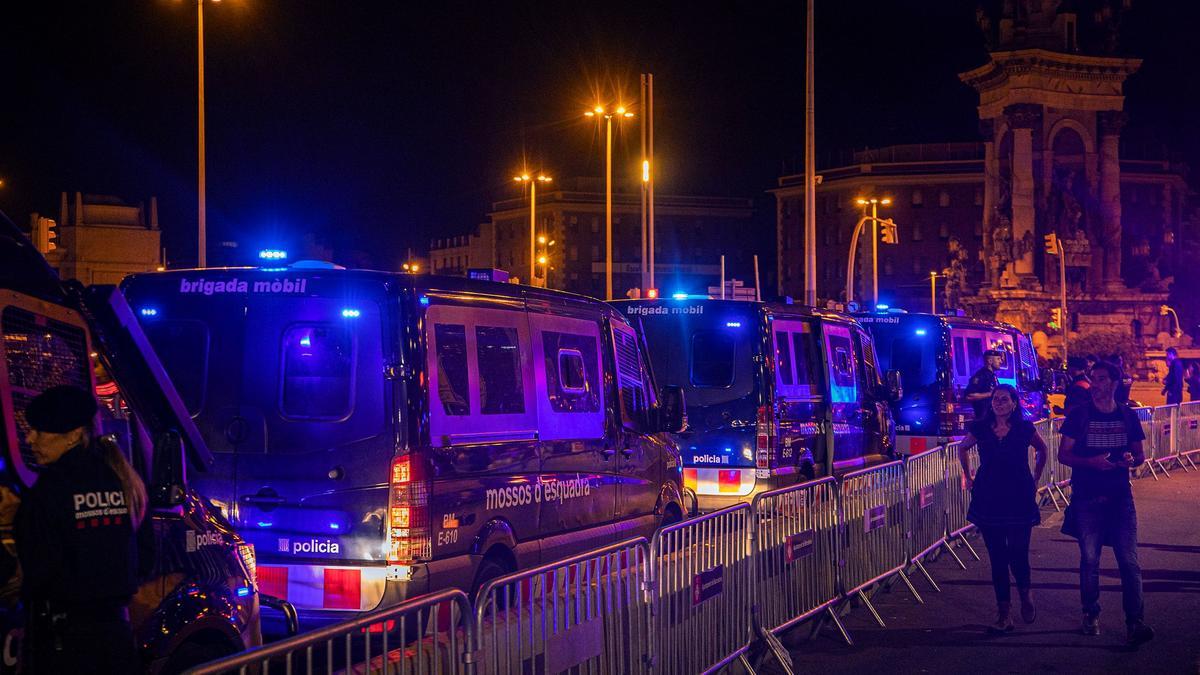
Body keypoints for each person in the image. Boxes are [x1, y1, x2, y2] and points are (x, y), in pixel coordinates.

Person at [0, 385, 147, 673]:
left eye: (40, 431)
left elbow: (38, 570)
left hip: (64, 645)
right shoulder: (122, 480)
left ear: (72, 435)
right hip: (117, 639)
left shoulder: (49, 489)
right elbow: (145, 554)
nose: (29, 439)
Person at [1058, 362, 1154, 647]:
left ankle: (1134, 622)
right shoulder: (1079, 415)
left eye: (1101, 379)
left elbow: (1139, 455)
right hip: (1087, 498)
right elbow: (1064, 454)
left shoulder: (1127, 415)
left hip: (1120, 499)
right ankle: (1091, 613)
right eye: (1093, 378)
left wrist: (1130, 460)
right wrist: (1092, 463)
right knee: (1090, 560)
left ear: (1114, 383)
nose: (1095, 383)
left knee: (1130, 562)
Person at [958, 385, 1048, 634]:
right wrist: (968, 476)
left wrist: (1036, 478)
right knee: (997, 555)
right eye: (995, 399)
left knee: (1018, 552)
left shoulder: (1024, 429)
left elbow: (1042, 450)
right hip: (990, 497)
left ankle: (1026, 594)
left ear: (1014, 403)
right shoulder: (981, 428)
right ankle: (1004, 611)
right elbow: (962, 448)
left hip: (1018, 496)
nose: (998, 403)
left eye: (1004, 400)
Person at [965, 350, 1004, 420]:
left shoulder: (992, 375)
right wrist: (991, 394)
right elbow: (969, 396)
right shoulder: (980, 376)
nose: (1001, 362)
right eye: (998, 359)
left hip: (993, 419)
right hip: (983, 420)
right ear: (990, 361)